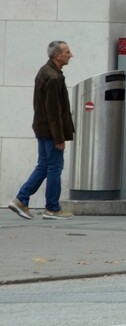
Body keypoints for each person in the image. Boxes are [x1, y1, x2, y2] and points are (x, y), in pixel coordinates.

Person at [8, 41, 76, 220]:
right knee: (54, 168)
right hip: (51, 132)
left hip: (42, 128)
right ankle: (52, 208)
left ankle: (21, 199)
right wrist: (59, 138)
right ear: (57, 56)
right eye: (67, 52)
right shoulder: (53, 77)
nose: (71, 55)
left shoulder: (45, 71)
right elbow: (53, 112)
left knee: (44, 166)